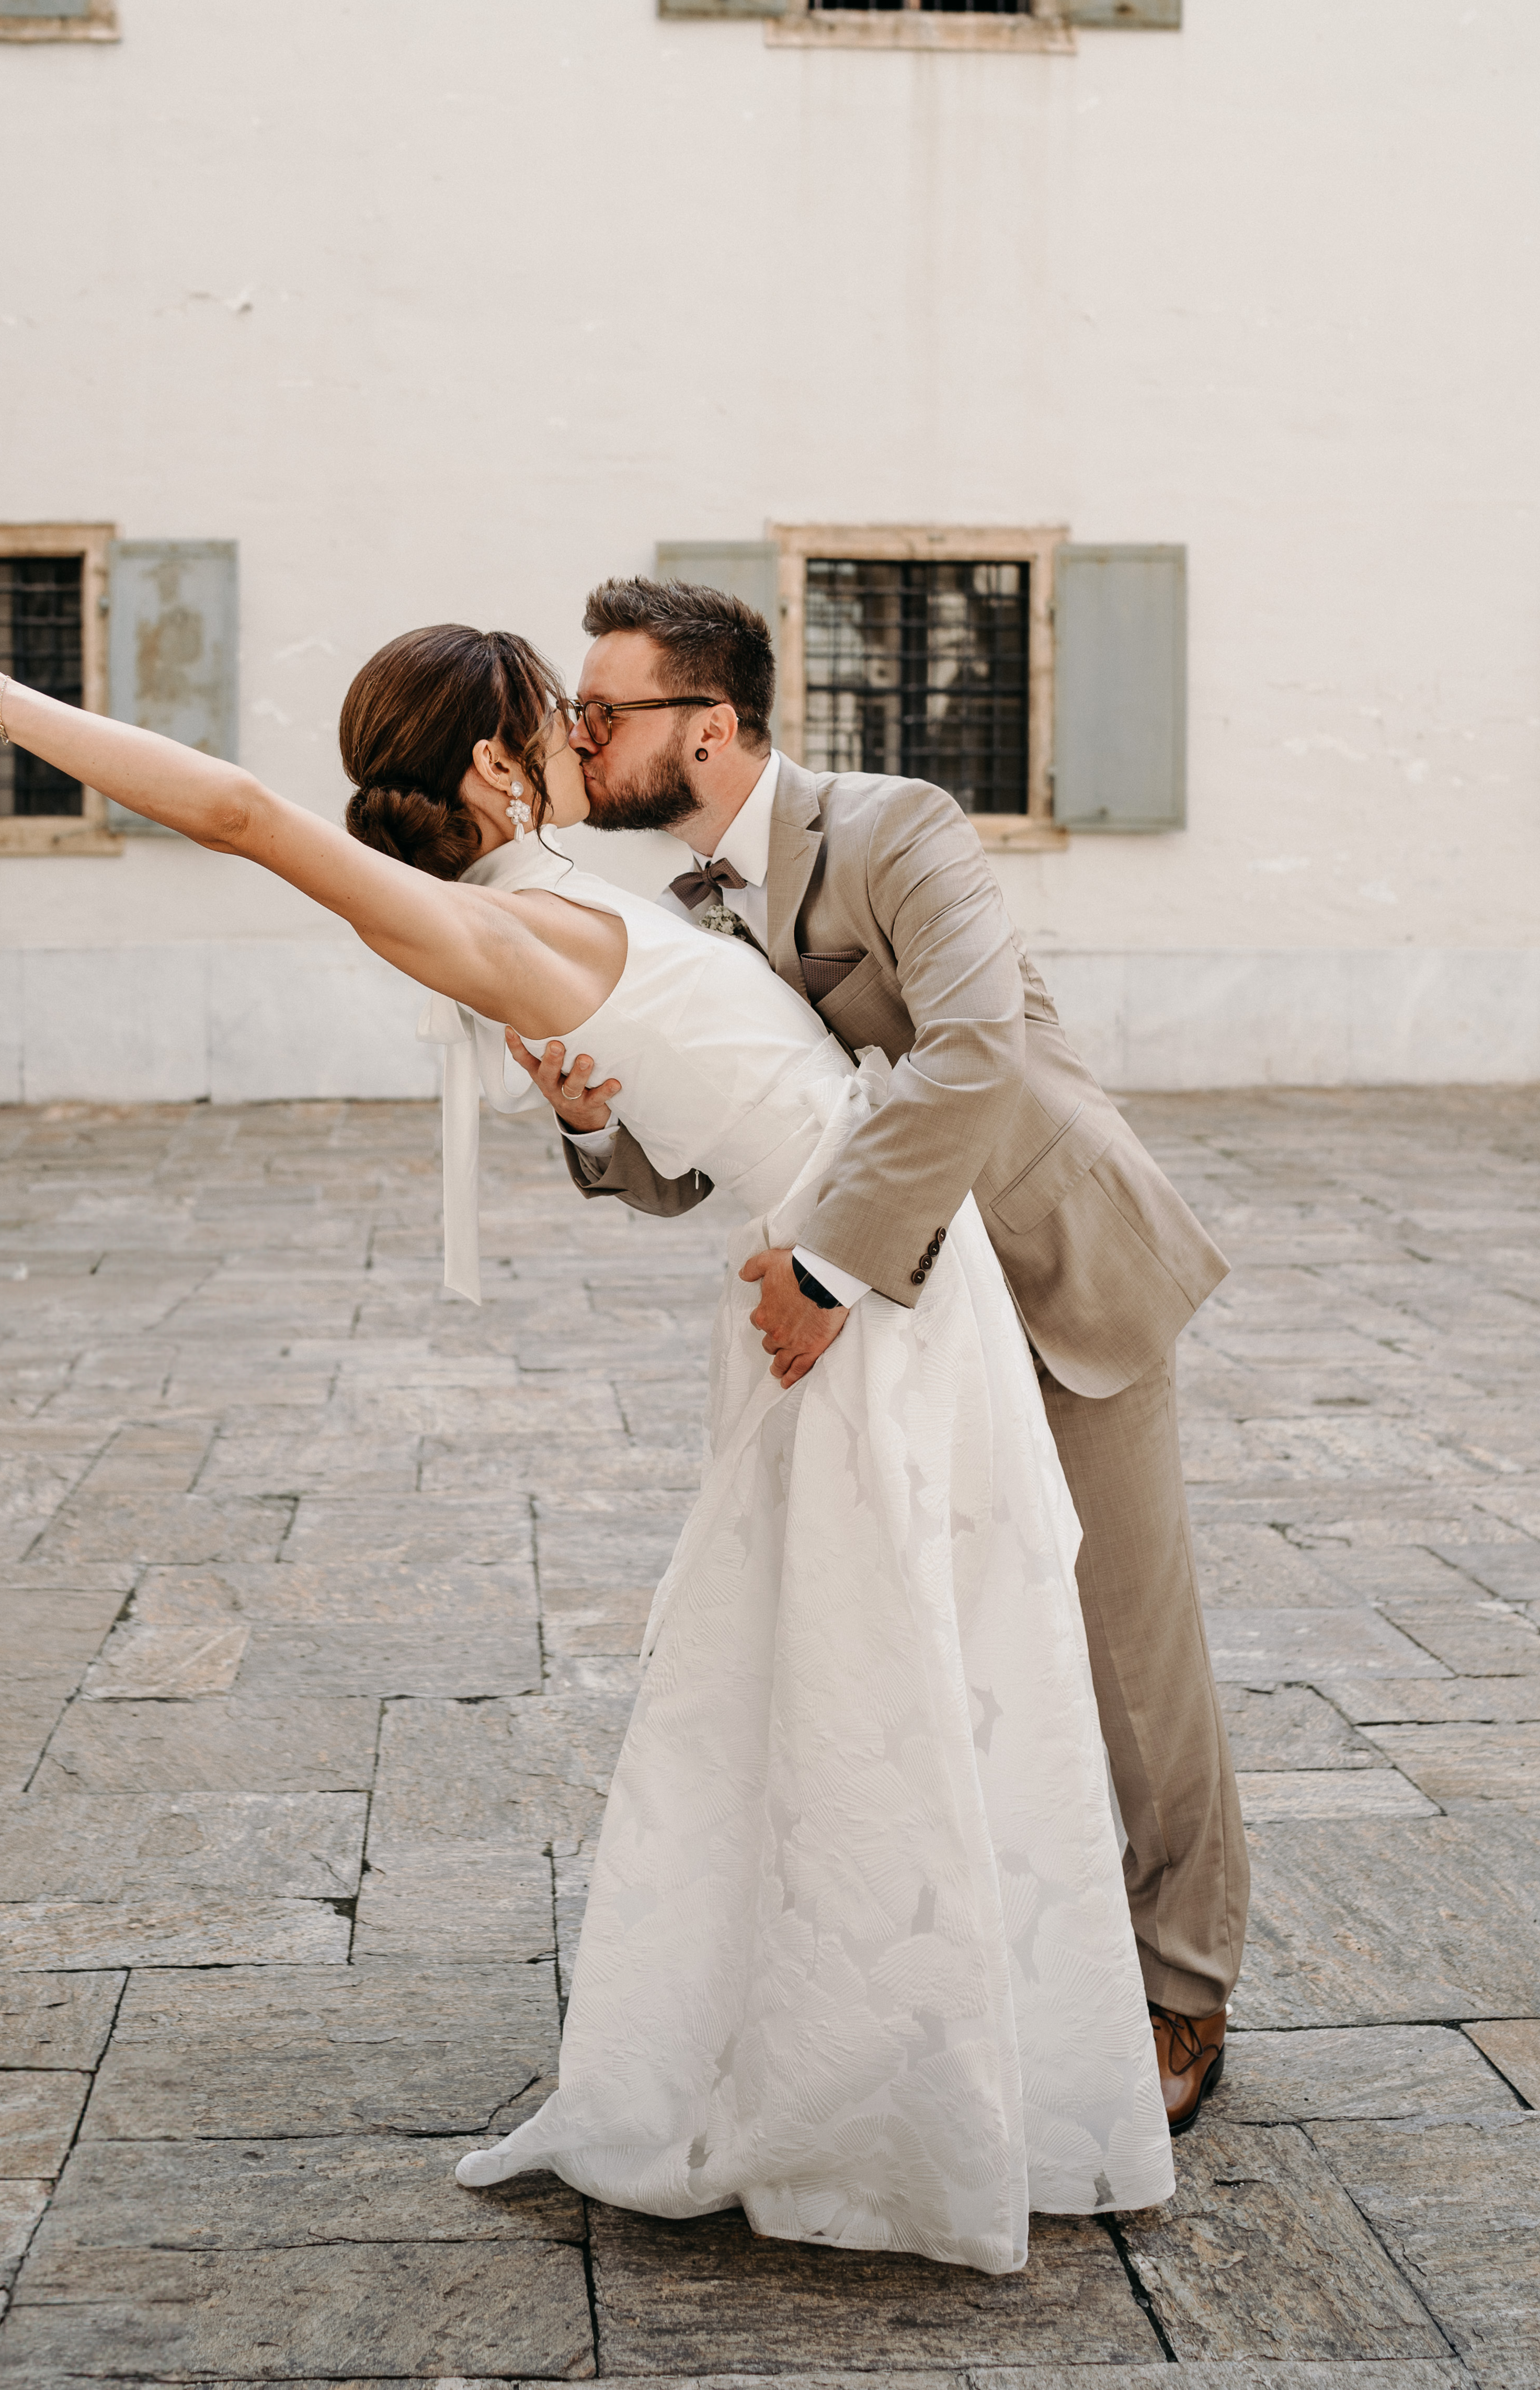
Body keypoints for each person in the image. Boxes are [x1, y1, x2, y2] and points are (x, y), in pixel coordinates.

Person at [0, 596, 1173, 2270]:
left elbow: (727, 1067)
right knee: (871, 1675)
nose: (582, 740)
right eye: (556, 716)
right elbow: (238, 814)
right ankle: (881, 2078)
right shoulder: (476, 921)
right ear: (492, 764)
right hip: (860, 1308)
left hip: (872, 1281)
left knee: (899, 1663)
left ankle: (920, 2042)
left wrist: (604, 1106)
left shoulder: (553, 902)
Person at [513, 575, 1245, 2135]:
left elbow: (971, 1050)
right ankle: (997, 1955)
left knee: (1132, 1650)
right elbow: (691, 1154)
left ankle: (1183, 1987)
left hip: (1052, 1269)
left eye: (602, 710)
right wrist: (588, 1115)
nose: (579, 738)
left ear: (707, 726)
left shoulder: (898, 827)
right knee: (952, 1631)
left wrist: (834, 1266)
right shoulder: (667, 902)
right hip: (909, 1319)